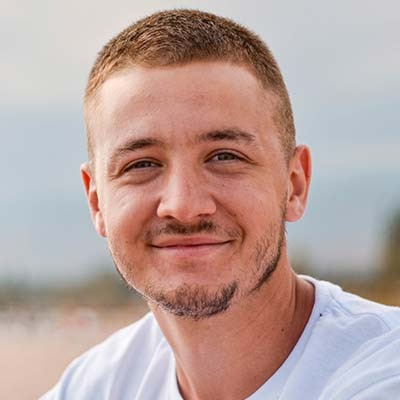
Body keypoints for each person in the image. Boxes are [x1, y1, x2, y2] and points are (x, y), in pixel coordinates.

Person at [41, 9, 400, 400]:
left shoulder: (383, 374)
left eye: (224, 156)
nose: (183, 205)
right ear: (96, 202)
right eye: (142, 164)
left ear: (295, 184)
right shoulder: (96, 385)